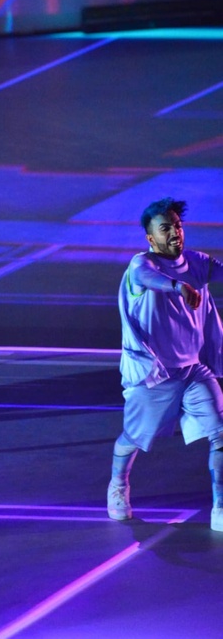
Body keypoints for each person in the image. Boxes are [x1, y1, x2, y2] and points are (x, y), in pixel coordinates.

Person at [108, 197, 223, 531]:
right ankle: (118, 484)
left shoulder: (197, 262)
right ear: (150, 237)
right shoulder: (140, 266)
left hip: (193, 370)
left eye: (177, 225)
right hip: (154, 375)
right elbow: (148, 279)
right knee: (133, 437)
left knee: (220, 432)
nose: (174, 232)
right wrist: (177, 286)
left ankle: (220, 507)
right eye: (165, 228)